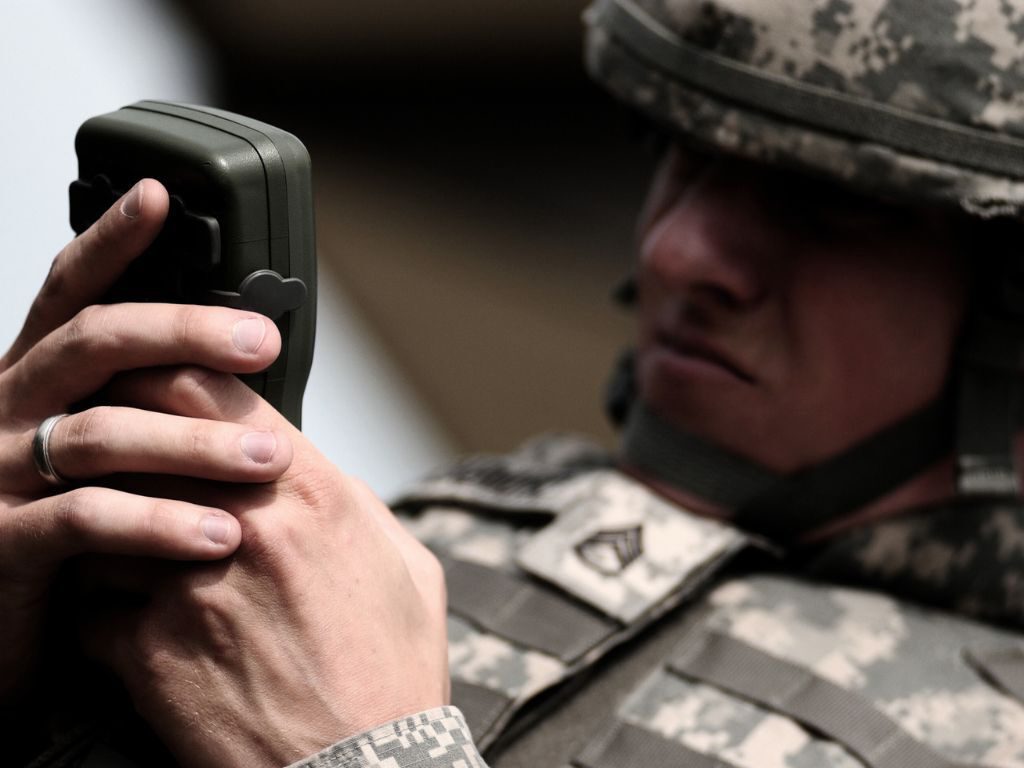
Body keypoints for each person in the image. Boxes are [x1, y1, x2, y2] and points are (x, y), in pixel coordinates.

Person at [5, 0, 1024, 766]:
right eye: (677, 155)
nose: (676, 252)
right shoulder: (376, 551)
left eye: (820, 204)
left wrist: (369, 750)